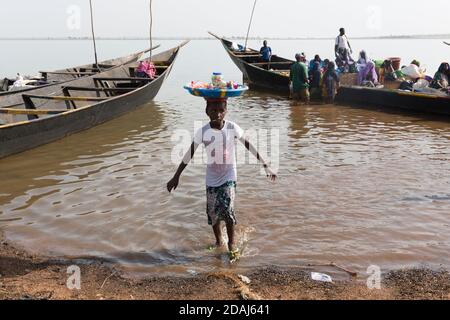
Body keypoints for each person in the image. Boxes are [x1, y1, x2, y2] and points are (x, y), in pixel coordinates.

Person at [167, 98, 277, 260]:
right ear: (207, 111)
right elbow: (189, 154)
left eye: (221, 110)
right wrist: (176, 176)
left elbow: (248, 144)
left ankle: (232, 243)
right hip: (212, 177)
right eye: (213, 110)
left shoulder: (232, 127)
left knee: (227, 209)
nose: (217, 114)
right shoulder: (203, 131)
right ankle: (219, 242)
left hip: (229, 175)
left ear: (226, 111)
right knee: (212, 213)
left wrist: (265, 164)